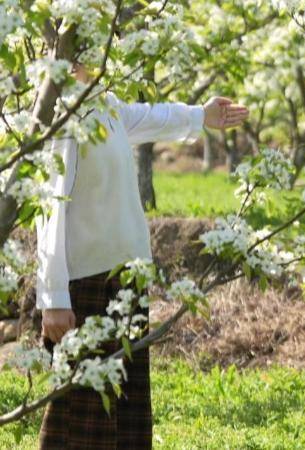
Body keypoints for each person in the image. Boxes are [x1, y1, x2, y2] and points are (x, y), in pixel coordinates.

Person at [35, 63, 249, 449]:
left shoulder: (106, 104)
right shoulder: (66, 115)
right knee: (80, 412)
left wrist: (201, 115)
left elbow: (153, 117)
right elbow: (48, 208)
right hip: (86, 284)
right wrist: (53, 297)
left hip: (124, 279)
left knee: (125, 416)